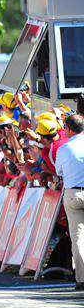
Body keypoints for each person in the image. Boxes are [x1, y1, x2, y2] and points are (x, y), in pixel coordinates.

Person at [55, 114, 84, 291]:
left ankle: (81, 278)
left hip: (73, 192)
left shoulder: (64, 149)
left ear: (69, 129)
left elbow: (59, 170)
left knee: (78, 238)